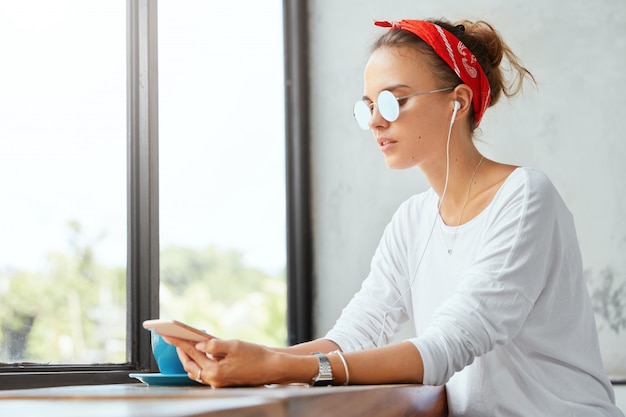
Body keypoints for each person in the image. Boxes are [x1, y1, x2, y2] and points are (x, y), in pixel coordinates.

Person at [165, 18, 624, 417]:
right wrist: (247, 359)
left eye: (393, 101)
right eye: (369, 107)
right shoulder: (412, 220)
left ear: (457, 102)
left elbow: (448, 346)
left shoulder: (524, 197)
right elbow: (354, 336)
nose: (377, 123)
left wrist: (276, 366)